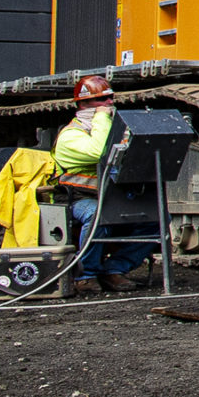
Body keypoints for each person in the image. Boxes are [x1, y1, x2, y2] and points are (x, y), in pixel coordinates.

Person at [52, 75, 153, 294]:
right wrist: (101, 118)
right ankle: (86, 275)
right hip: (77, 200)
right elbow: (100, 152)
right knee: (98, 215)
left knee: (155, 220)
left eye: (110, 98)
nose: (109, 104)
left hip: (111, 197)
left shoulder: (109, 129)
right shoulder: (70, 136)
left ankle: (114, 270)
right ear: (83, 104)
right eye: (101, 100)